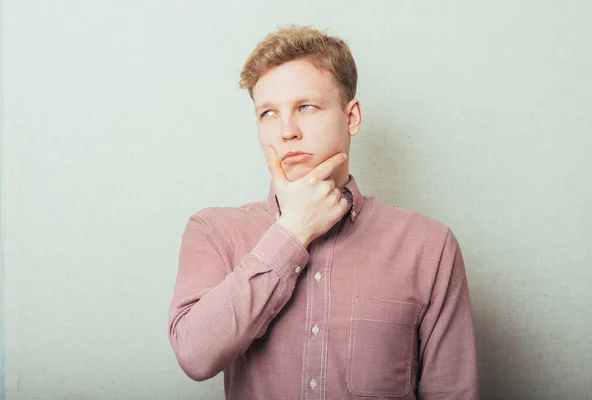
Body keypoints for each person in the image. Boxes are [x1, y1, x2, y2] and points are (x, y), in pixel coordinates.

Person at [168, 25, 479, 400]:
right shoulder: (214, 231)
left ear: (352, 118)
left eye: (306, 107)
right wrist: (292, 232)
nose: (286, 130)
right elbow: (194, 356)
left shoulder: (429, 246)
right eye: (268, 113)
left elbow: (453, 392)